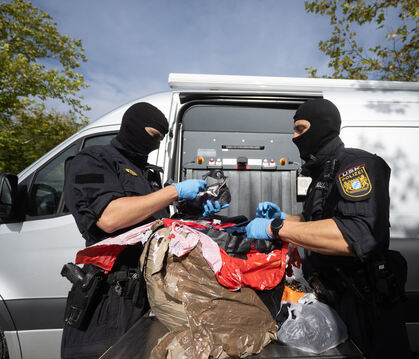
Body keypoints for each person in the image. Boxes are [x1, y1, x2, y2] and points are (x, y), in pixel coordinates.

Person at [246, 99, 412, 358]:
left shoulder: (356, 165)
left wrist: (277, 228)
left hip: (364, 305)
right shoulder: (324, 172)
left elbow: (357, 235)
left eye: (300, 129)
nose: (294, 137)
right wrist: (286, 218)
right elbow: (314, 223)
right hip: (333, 298)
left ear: (323, 126)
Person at [61, 102, 220, 359]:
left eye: (160, 139)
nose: (155, 144)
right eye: (152, 136)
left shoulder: (147, 175)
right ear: (132, 127)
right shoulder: (92, 160)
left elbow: (154, 225)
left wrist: (194, 208)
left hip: (146, 295)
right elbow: (109, 219)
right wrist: (173, 192)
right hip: (109, 299)